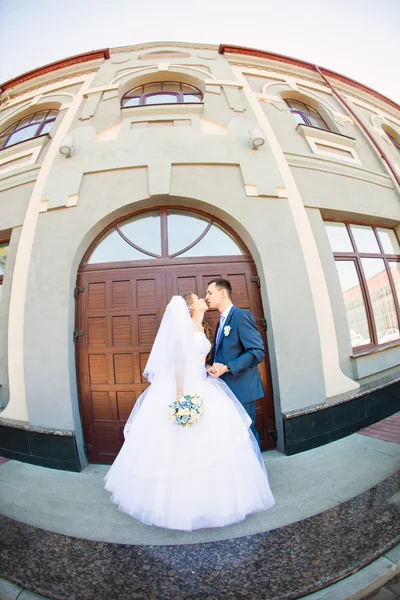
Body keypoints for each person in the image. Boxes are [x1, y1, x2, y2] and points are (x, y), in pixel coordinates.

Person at [104, 293, 275, 532]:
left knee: (214, 442)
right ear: (191, 306)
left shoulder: (202, 326)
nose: (204, 298)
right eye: (199, 297)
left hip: (204, 382)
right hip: (185, 387)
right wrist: (181, 395)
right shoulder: (182, 329)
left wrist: (208, 367)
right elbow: (178, 364)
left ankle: (213, 498)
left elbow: (197, 359)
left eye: (207, 295)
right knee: (180, 444)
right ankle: (178, 504)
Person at [206, 279, 265, 447]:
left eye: (210, 293)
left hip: (242, 390)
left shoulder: (241, 316)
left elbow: (257, 351)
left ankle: (257, 473)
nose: (206, 297)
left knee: (246, 435)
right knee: (234, 438)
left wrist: (228, 367)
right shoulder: (221, 322)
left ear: (223, 293)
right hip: (226, 389)